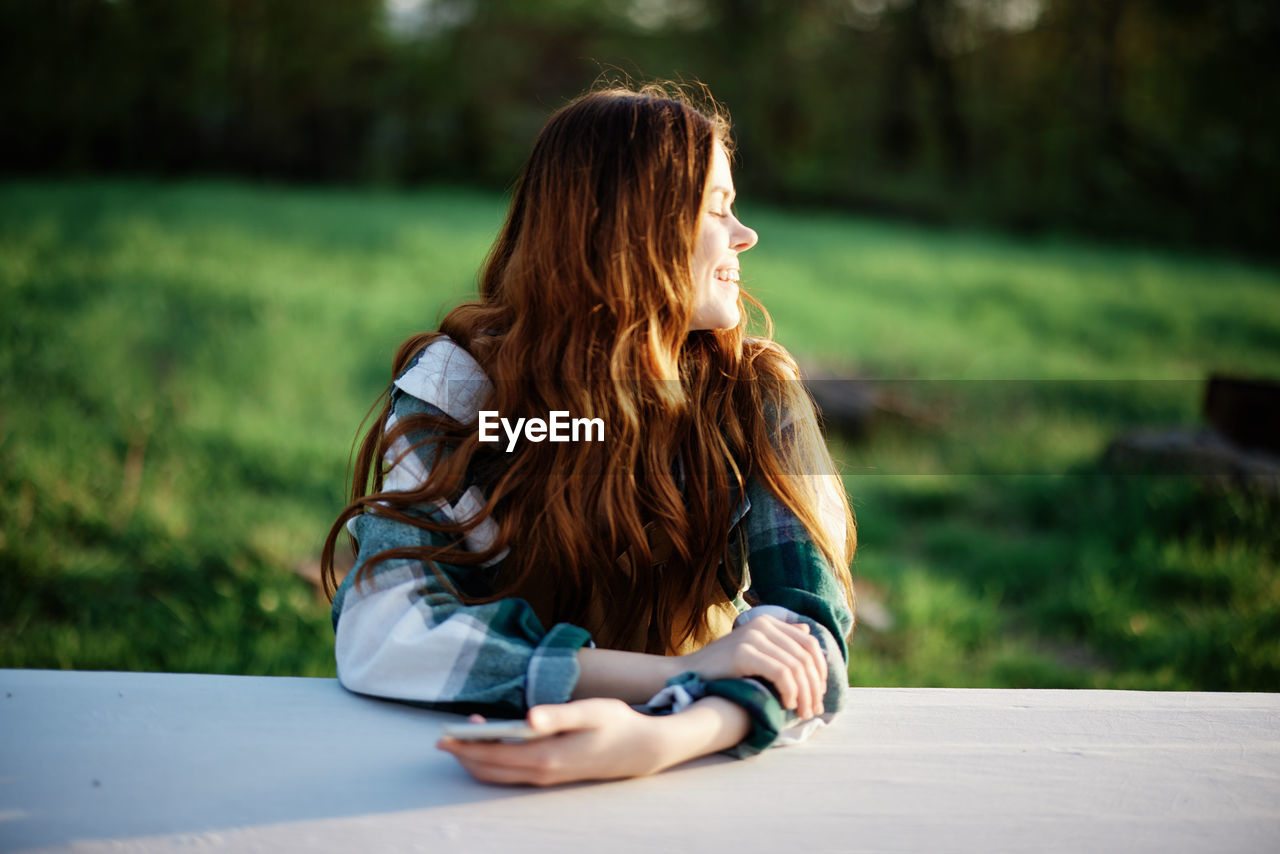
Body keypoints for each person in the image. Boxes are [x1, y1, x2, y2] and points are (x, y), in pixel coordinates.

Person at [321, 83, 856, 786]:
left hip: (698, 778)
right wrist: (682, 672)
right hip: (465, 763)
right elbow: (384, 629)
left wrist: (665, 737)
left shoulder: (755, 396)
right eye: (717, 209)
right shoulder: (462, 387)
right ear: (635, 228)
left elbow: (810, 638)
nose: (744, 235)